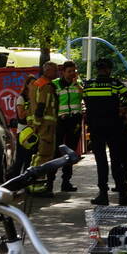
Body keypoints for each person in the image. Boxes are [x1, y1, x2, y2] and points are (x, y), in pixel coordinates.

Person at [82, 57, 127, 206]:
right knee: (116, 161)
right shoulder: (114, 84)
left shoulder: (88, 85)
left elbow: (84, 101)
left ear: (97, 69)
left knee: (101, 162)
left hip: (95, 128)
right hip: (114, 127)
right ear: (109, 70)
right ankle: (122, 194)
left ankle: (103, 195)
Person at [27, 60, 61, 197]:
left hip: (40, 126)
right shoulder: (46, 86)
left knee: (38, 155)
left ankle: (35, 183)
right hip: (45, 127)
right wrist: (38, 124)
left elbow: (33, 106)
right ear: (47, 71)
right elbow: (42, 106)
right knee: (44, 155)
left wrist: (34, 124)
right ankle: (36, 186)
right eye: (55, 70)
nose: (57, 73)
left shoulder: (36, 84)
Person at [53, 61, 84, 192]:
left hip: (74, 121)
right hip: (60, 121)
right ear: (63, 72)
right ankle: (50, 181)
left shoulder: (78, 84)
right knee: (56, 151)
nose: (72, 74)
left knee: (71, 151)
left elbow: (83, 96)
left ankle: (66, 182)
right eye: (69, 71)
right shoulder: (55, 84)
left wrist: (76, 83)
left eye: (74, 71)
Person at [12, 74, 37, 176]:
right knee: (20, 159)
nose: (34, 86)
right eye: (32, 84)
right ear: (27, 85)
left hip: (33, 132)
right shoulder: (22, 98)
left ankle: (26, 181)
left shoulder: (36, 97)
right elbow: (21, 116)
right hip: (23, 133)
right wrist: (31, 107)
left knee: (29, 159)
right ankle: (14, 182)